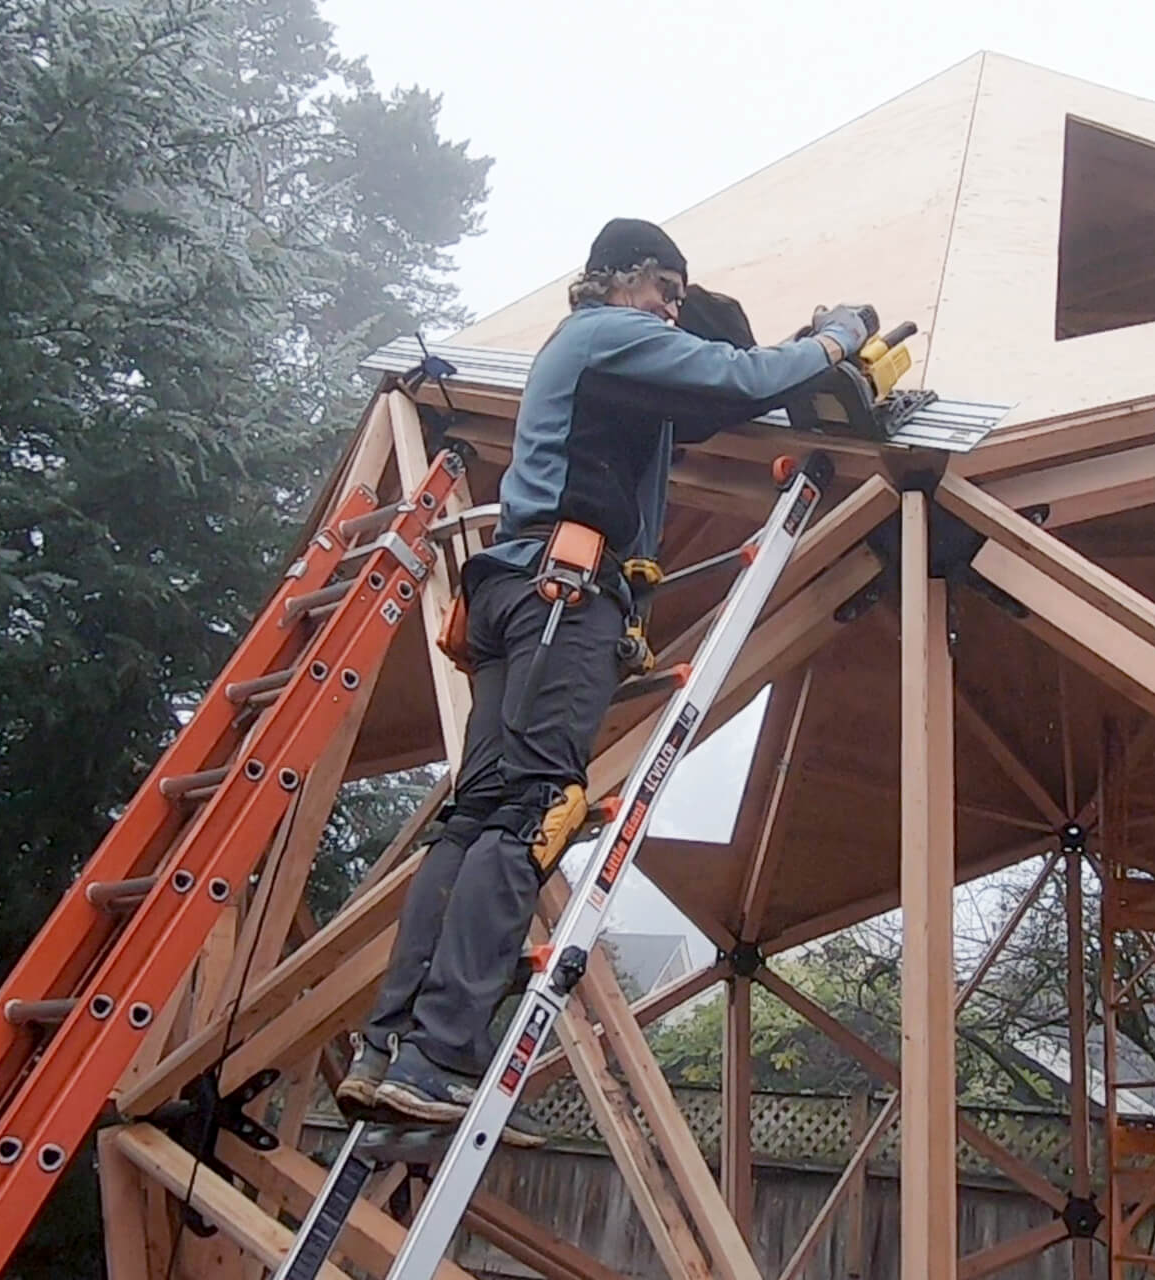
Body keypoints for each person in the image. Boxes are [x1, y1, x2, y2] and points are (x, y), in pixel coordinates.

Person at [337, 217, 873, 1128]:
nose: (671, 309)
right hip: (563, 593)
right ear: (619, 280)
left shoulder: (601, 363)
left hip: (522, 590)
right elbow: (737, 378)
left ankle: (390, 1045)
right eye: (664, 289)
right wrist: (834, 341)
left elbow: (715, 389)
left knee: (475, 815)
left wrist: (754, 342)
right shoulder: (609, 335)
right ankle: (439, 1058)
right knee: (536, 809)